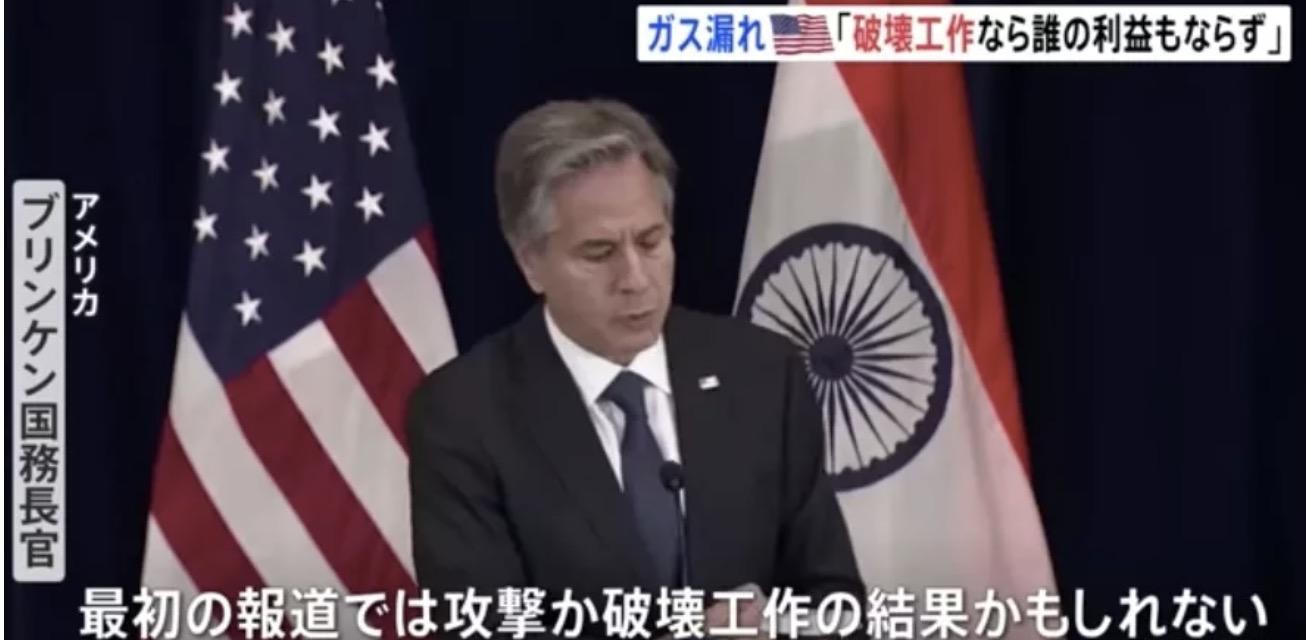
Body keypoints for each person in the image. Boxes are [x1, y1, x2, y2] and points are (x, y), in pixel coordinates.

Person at [406, 98, 863, 636]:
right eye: (599, 253)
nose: (636, 279)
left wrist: (780, 626)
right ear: (530, 262)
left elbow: (836, 601)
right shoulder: (463, 414)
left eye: (650, 242)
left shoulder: (762, 372)